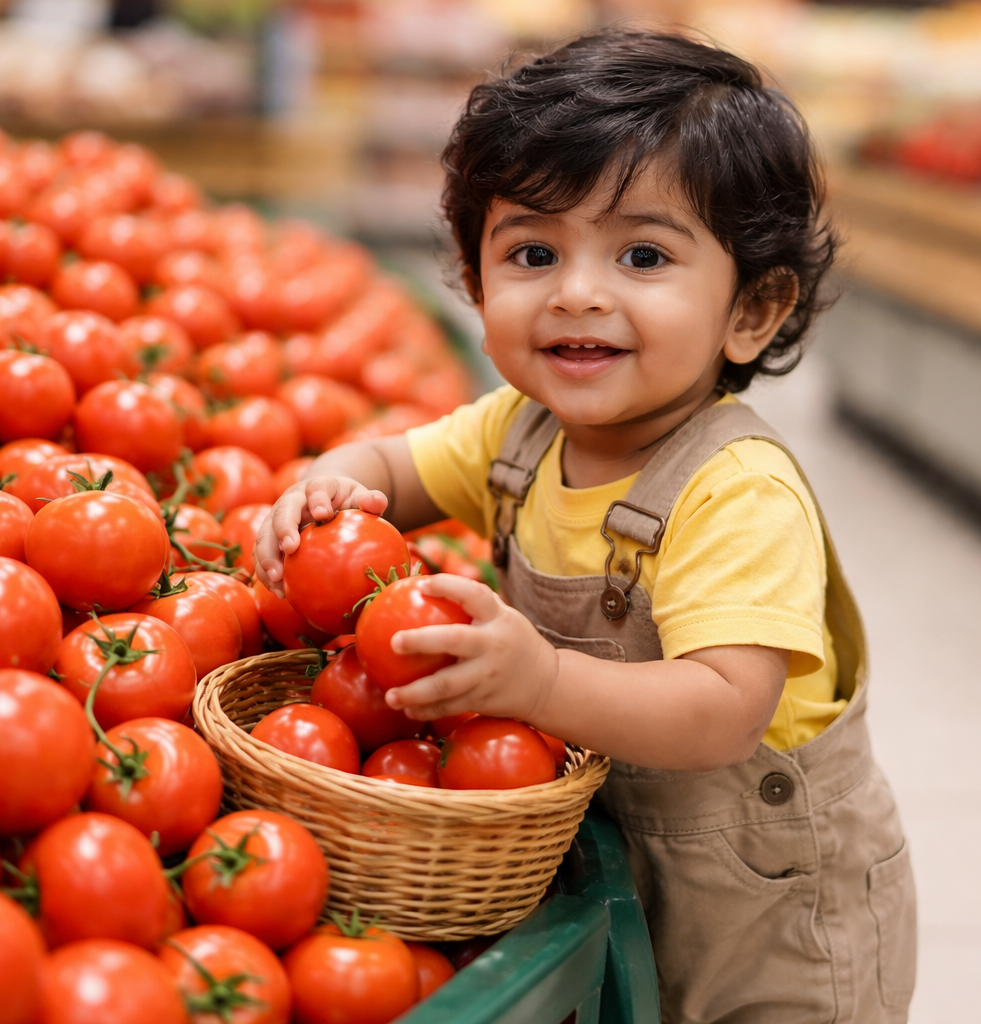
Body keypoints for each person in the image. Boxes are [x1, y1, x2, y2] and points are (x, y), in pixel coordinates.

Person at [255, 29, 916, 1023]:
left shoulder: (734, 490)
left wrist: (541, 682)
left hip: (770, 922)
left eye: (643, 255)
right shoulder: (516, 430)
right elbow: (394, 466)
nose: (576, 291)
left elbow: (723, 705)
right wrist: (327, 485)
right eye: (531, 251)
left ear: (752, 310)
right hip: (616, 864)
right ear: (476, 285)